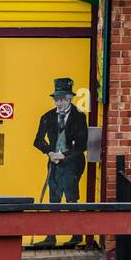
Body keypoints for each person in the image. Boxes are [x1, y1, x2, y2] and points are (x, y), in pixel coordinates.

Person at [32, 78, 88, 248]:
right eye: (57, 98)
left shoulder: (79, 117)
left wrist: (63, 156)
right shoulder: (47, 117)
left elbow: (82, 145)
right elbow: (37, 141)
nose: (59, 102)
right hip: (53, 162)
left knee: (71, 197)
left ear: (70, 98)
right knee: (53, 198)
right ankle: (51, 237)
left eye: (63, 98)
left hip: (73, 162)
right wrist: (49, 153)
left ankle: (76, 235)